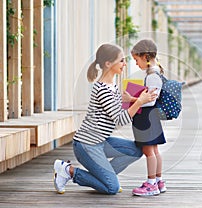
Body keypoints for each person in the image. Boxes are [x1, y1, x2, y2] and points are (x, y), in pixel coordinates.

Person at [53, 43, 157, 195]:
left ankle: (105, 177)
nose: (125, 63)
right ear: (108, 63)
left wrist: (135, 99)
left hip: (101, 141)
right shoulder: (102, 89)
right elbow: (120, 119)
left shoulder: (112, 85)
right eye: (121, 60)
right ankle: (69, 171)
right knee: (111, 188)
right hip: (86, 145)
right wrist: (140, 101)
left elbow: (117, 107)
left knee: (136, 150)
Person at [129, 39, 167, 196]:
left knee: (149, 152)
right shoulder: (155, 73)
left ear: (145, 56)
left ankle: (151, 184)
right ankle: (158, 181)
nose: (137, 64)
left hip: (145, 118)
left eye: (136, 60)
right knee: (155, 151)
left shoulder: (152, 76)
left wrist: (130, 99)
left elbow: (149, 101)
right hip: (152, 117)